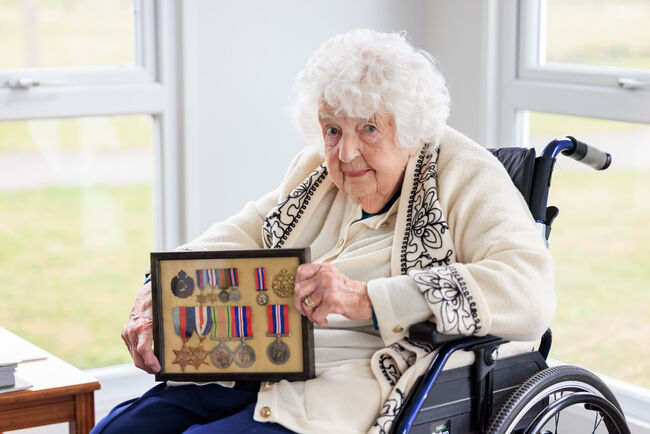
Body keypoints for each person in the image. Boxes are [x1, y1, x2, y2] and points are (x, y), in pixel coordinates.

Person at [94, 29, 554, 434]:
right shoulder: (316, 171)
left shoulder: (466, 175)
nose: (347, 152)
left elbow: (529, 292)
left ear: (411, 129)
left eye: (369, 129)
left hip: (359, 381)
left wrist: (365, 298)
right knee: (123, 427)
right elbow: (245, 231)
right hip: (266, 359)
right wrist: (157, 290)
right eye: (332, 129)